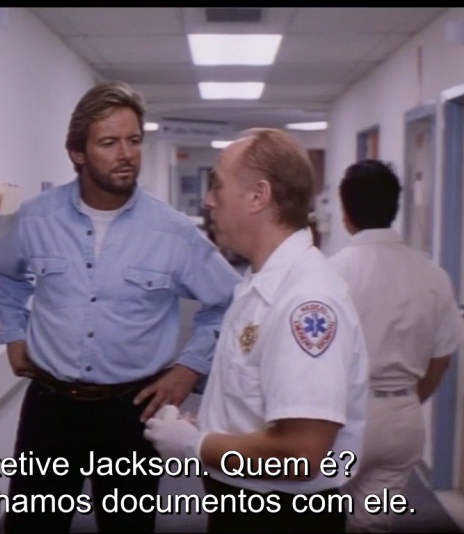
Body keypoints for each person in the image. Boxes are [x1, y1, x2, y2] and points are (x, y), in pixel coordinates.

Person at [0, 80, 241, 533]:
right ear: (77, 152)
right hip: (51, 407)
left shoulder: (173, 232)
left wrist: (189, 368)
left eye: (134, 140)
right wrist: (12, 333)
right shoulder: (36, 218)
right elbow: (7, 274)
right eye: (109, 143)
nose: (126, 154)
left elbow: (228, 301)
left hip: (131, 411)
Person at [143, 128, 369, 533]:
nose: (208, 200)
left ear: (257, 196)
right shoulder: (260, 283)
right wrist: (212, 427)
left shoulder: (306, 301)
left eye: (218, 185)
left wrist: (196, 445)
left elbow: (302, 453)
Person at [327, 159, 464, 533]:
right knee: (373, 524)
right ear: (394, 207)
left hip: (342, 417)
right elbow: (442, 358)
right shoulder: (433, 275)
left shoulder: (330, 274)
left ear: (345, 212)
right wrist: (404, 400)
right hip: (403, 417)